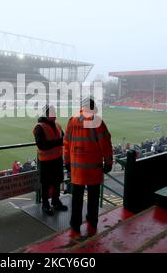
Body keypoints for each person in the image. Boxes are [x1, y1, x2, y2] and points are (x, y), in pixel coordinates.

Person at [64, 97, 113, 237]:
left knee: (77, 198)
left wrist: (67, 161)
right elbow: (106, 144)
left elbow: (66, 143)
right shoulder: (97, 121)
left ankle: (75, 225)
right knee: (93, 198)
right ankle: (91, 223)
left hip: (77, 169)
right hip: (93, 169)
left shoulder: (72, 120)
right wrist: (108, 162)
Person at [33, 104, 68, 216]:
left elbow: (63, 137)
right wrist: (60, 142)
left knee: (57, 181)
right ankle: (45, 204)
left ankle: (55, 201)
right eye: (52, 113)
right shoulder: (39, 127)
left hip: (57, 159)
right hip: (46, 161)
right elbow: (42, 145)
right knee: (46, 183)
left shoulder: (57, 125)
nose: (54, 115)